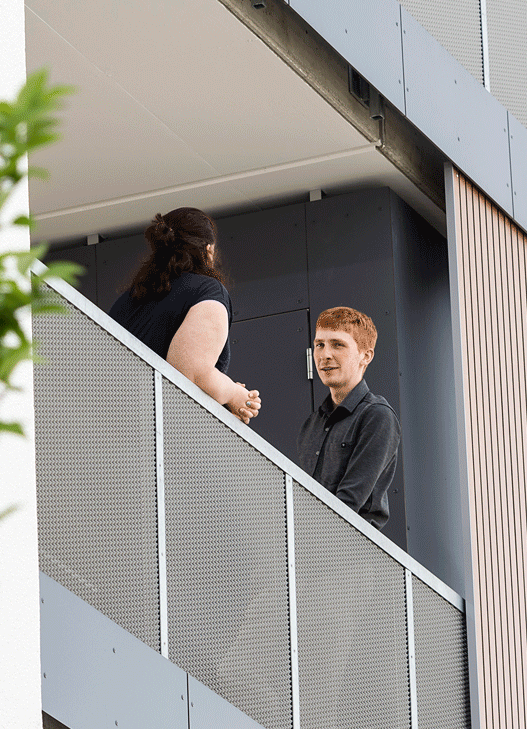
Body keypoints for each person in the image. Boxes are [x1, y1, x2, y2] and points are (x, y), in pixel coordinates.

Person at [109, 207, 262, 424]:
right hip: (158, 434)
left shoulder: (128, 299)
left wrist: (224, 396)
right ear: (208, 250)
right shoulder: (208, 291)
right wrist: (235, 394)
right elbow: (192, 375)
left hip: (119, 424)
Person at [297, 306, 400, 529]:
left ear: (366, 356)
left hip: (353, 552)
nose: (325, 355)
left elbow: (348, 503)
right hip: (309, 550)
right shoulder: (311, 424)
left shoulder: (377, 416)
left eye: (338, 344)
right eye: (319, 345)